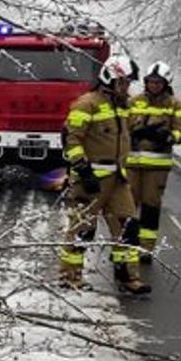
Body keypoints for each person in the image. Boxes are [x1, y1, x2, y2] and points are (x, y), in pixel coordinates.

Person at [58, 55, 150, 294]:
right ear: (109, 78)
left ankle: (127, 277)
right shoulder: (86, 103)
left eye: (128, 82)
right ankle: (70, 277)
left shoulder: (124, 106)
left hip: (117, 179)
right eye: (123, 82)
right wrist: (82, 168)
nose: (126, 87)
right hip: (90, 179)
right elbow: (71, 139)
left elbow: (127, 133)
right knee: (82, 229)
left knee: (127, 225)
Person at [125, 62, 181, 262]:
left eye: (158, 82)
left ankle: (145, 249)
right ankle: (125, 245)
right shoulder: (134, 101)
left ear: (166, 83)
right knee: (128, 206)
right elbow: (122, 126)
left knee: (151, 207)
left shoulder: (175, 105)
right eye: (150, 82)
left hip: (157, 166)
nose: (154, 85)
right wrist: (136, 132)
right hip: (132, 164)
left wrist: (168, 136)